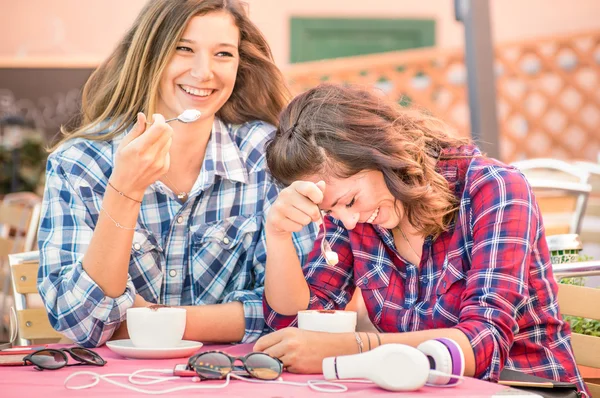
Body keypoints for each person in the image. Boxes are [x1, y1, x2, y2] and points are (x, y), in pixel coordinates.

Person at [254, 83, 587, 395]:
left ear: (380, 154)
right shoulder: (354, 214)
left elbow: (483, 342)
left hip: (523, 387)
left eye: (350, 201)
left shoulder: (495, 189)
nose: (347, 219)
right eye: (332, 212)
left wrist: (354, 346)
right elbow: (299, 320)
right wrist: (279, 235)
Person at [37, 0, 316, 348]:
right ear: (149, 55)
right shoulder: (79, 163)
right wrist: (125, 189)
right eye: (184, 49)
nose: (203, 73)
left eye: (223, 54)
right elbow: (80, 322)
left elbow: (299, 311)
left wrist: (146, 319)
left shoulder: (266, 155)